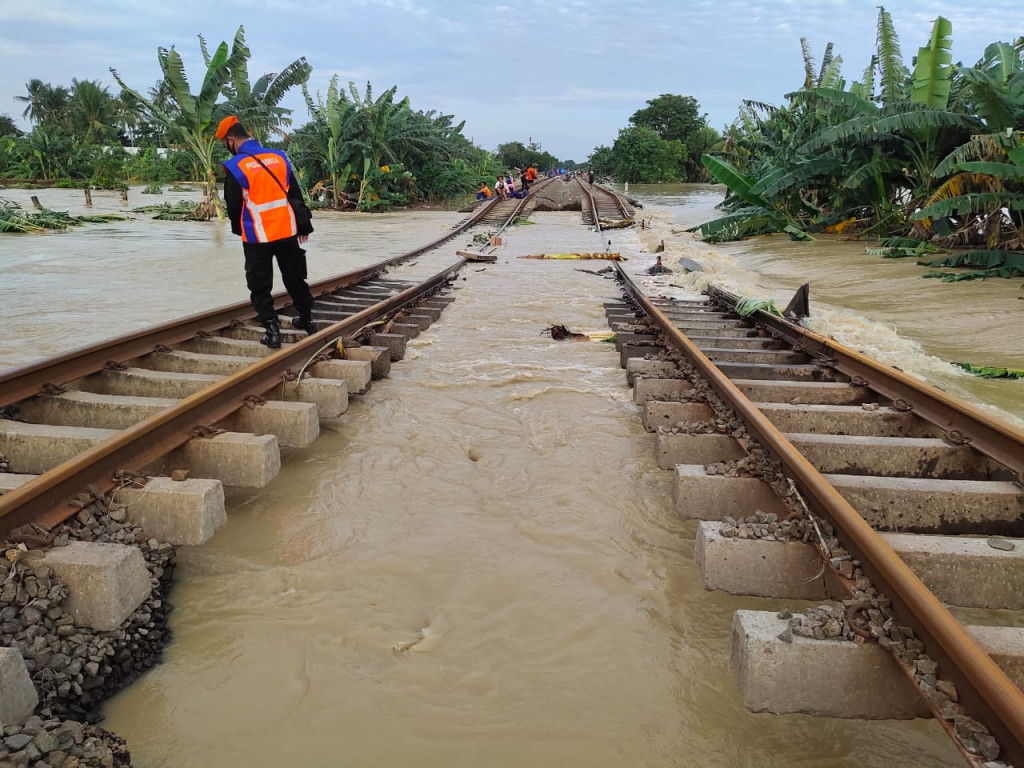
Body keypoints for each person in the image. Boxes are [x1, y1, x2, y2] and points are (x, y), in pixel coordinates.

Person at [218, 115, 316, 349]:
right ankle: (307, 320)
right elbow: (294, 193)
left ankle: (272, 331)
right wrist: (303, 225)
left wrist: (238, 230)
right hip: (286, 229)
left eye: (225, 144)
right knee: (294, 276)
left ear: (231, 140)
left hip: (256, 234)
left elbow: (233, 205)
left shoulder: (235, 166)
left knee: (260, 283)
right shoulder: (279, 157)